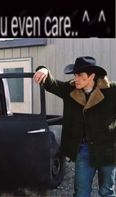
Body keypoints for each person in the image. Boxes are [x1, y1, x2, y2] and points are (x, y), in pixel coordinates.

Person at [33, 56, 116, 197]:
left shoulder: (112, 91)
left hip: (108, 149)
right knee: (81, 193)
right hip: (83, 149)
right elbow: (51, 84)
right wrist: (43, 70)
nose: (76, 78)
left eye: (80, 75)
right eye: (75, 75)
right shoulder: (70, 90)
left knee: (107, 192)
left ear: (92, 76)